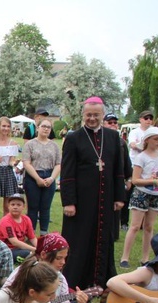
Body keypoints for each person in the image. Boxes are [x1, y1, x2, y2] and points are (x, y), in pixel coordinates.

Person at [60, 96, 125, 291]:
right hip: (81, 201)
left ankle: (101, 280)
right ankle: (74, 282)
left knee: (103, 237)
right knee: (79, 241)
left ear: (102, 115)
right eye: (88, 115)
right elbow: (67, 172)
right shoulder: (74, 138)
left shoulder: (113, 137)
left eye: (96, 115)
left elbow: (118, 169)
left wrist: (119, 196)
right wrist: (69, 201)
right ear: (83, 115)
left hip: (106, 199)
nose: (92, 119)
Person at [3, 232, 89, 303]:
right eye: (59, 258)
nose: (63, 262)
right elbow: (3, 302)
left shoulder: (61, 279)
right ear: (43, 255)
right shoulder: (23, 272)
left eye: (65, 258)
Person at [119, 127, 158, 267]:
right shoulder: (141, 157)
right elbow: (135, 180)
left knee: (149, 226)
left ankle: (145, 258)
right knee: (135, 226)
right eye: (155, 139)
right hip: (141, 194)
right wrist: (152, 181)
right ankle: (125, 257)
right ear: (147, 140)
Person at [22, 118, 61, 233]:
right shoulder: (30, 144)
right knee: (33, 208)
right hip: (33, 177)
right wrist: (37, 178)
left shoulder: (54, 146)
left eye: (48, 127)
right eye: (43, 126)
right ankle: (31, 234)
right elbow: (26, 163)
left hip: (49, 176)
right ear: (38, 128)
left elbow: (58, 164)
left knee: (45, 208)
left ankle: (44, 234)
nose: (46, 129)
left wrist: (51, 178)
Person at [0, 116, 20, 215]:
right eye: (3, 126)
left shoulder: (13, 143)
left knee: (7, 206)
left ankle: (5, 227)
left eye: (8, 126)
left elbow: (11, 160)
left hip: (8, 172)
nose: (6, 128)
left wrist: (15, 163)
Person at [0, 193, 37, 262]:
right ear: (8, 206)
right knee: (29, 254)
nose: (15, 207)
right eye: (12, 204)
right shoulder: (5, 221)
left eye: (18, 205)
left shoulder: (26, 219)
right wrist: (35, 249)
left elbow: (32, 238)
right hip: (6, 250)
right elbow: (14, 242)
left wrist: (40, 248)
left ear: (24, 206)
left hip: (19, 248)